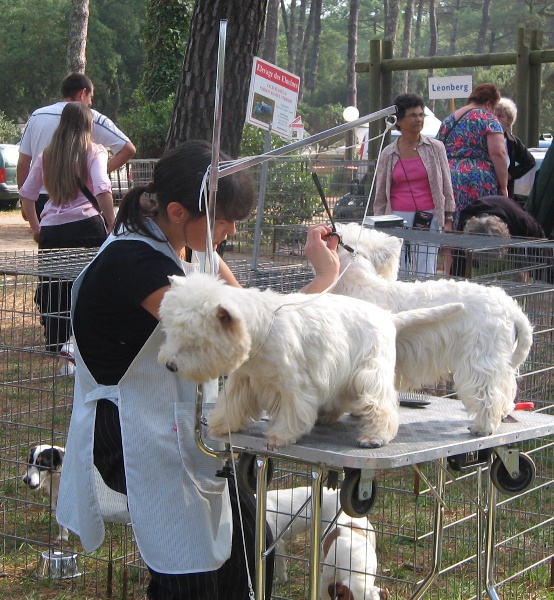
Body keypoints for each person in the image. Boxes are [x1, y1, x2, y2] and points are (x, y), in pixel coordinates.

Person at [55, 140, 341, 599]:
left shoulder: (194, 246)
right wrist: (324, 280)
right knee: (189, 575)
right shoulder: (135, 263)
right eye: (224, 219)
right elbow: (239, 338)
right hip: (131, 432)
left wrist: (325, 279)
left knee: (249, 545)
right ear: (176, 211)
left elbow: (251, 312)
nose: (230, 231)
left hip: (180, 422)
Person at [19, 102, 115, 370]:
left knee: (54, 288)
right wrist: (112, 223)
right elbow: (102, 188)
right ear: (88, 125)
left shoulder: (47, 155)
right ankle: (82, 343)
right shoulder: (94, 151)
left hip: (52, 230)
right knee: (87, 287)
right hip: (86, 227)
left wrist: (36, 227)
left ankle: (58, 344)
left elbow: (27, 194)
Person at [18, 72, 136, 221]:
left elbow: (23, 162)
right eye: (90, 97)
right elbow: (128, 149)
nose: (90, 103)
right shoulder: (92, 117)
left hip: (41, 197)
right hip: (80, 199)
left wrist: (24, 201)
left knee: (48, 234)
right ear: (82, 93)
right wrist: (94, 172)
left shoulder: (37, 116)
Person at [374, 93, 455, 277]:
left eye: (421, 115)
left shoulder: (436, 148)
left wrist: (448, 218)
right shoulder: (388, 153)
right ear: (399, 121)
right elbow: (380, 195)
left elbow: (446, 185)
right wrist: (379, 223)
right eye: (413, 115)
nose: (418, 119)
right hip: (396, 217)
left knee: (426, 269)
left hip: (429, 217)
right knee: (397, 269)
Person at [437, 82, 509, 224]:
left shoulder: (449, 120)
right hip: (478, 180)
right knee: (480, 224)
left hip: (449, 178)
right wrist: (503, 186)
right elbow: (498, 153)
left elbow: (438, 148)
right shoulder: (488, 119)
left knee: (453, 223)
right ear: (488, 104)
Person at [452, 195, 547, 279]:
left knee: (518, 275)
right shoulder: (466, 217)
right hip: (484, 222)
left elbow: (540, 241)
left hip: (513, 226)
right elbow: (458, 260)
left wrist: (528, 269)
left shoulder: (522, 221)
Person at [494, 98, 536, 201]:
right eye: (494, 115)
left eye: (500, 116)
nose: (496, 119)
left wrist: (510, 175)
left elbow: (530, 162)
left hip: (505, 192)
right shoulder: (483, 139)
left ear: (509, 121)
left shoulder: (513, 142)